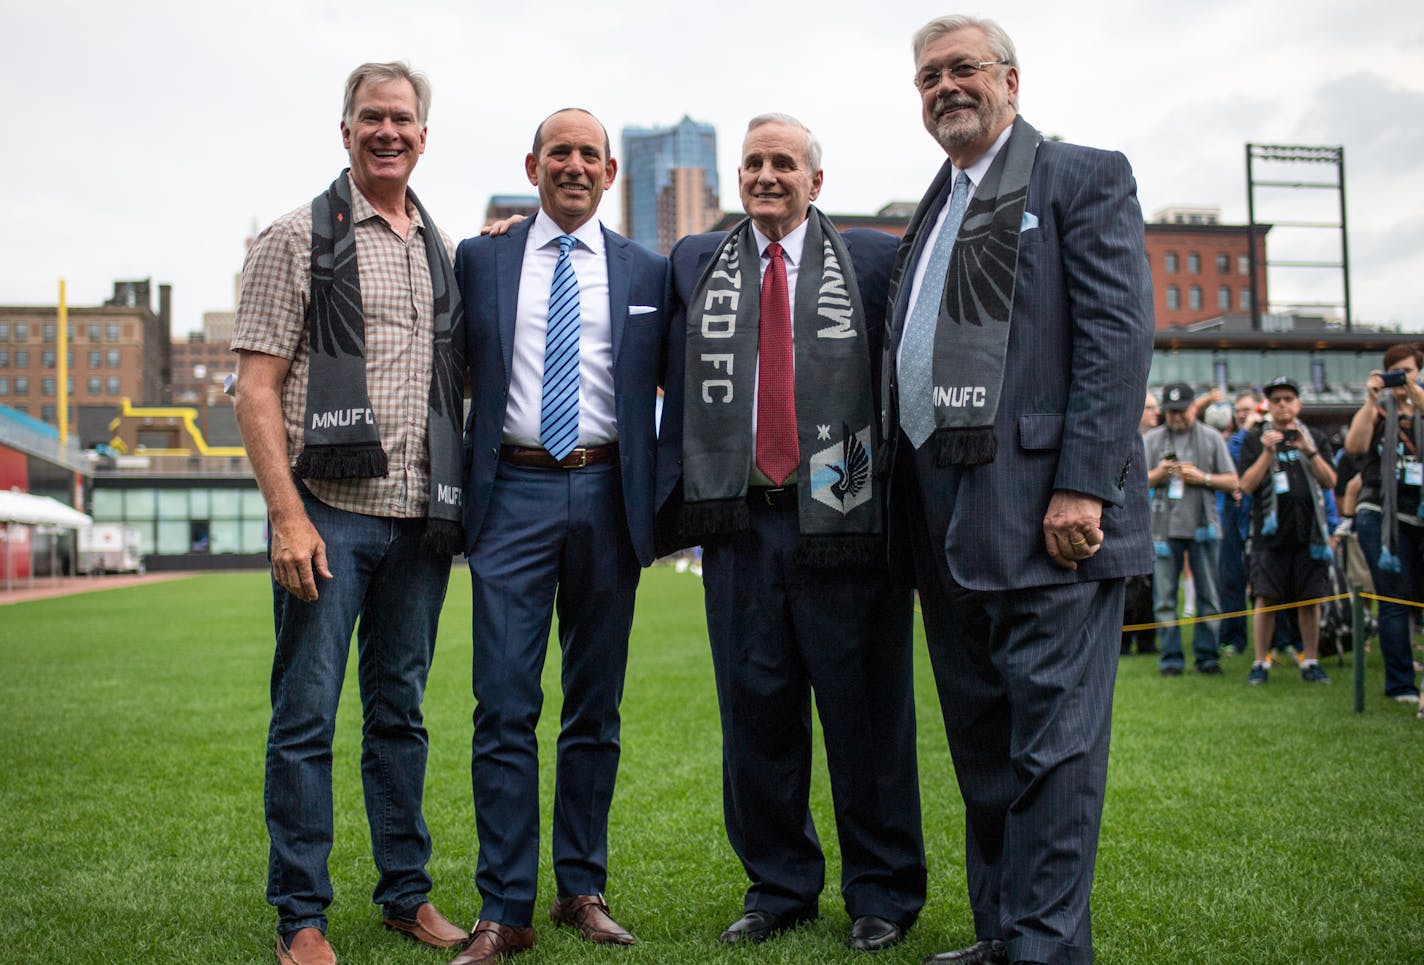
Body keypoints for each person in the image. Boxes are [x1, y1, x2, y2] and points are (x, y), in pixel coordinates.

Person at [882, 16, 1154, 965]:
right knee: (987, 748)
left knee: (1053, 750)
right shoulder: (932, 206)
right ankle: (1005, 932)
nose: (945, 87)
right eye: (928, 77)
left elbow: (1117, 339)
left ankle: (1046, 946)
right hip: (944, 518)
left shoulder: (1081, 174)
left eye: (963, 70)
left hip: (1049, 518)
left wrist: (1085, 485)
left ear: (1011, 78)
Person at [658, 114, 926, 952]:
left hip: (845, 519)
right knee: (756, 716)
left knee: (867, 716)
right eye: (752, 163)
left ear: (817, 180)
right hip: (740, 526)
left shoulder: (877, 259)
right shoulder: (698, 262)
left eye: (783, 163)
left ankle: (882, 891)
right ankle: (778, 885)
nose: (766, 175)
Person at [230, 62, 468, 965]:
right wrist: (288, 518)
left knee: (400, 717)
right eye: (371, 117)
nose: (388, 132)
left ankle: (405, 893)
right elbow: (254, 392)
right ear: (345, 131)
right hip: (326, 515)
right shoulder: (294, 239)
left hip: (420, 522)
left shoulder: (440, 250)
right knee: (305, 719)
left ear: (421, 135)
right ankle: (301, 915)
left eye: (402, 119)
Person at [449, 108, 671, 965]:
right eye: (560, 152)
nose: (574, 165)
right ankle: (504, 907)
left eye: (589, 154)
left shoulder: (649, 268)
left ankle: (581, 885)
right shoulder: (481, 257)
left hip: (612, 493)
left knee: (594, 707)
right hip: (513, 493)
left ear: (610, 172)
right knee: (504, 704)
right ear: (533, 164)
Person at [1236, 376, 1337, 685]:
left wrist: (1309, 450)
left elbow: (1330, 482)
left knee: (1310, 600)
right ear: (1268, 407)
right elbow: (1246, 486)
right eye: (1276, 400)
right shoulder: (1255, 440)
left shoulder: (1314, 437)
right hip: (1270, 536)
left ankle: (1311, 660)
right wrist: (1267, 453)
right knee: (1265, 598)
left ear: (1298, 404)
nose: (1282, 405)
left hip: (1310, 535)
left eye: (1288, 399)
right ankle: (1260, 662)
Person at [1344, 343, 1424, 709]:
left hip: (1417, 511)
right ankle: (1400, 683)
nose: (1401, 378)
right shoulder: (1377, 411)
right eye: (1394, 371)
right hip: (1378, 512)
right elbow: (1354, 447)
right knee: (1394, 599)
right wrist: (1370, 401)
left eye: (1407, 370)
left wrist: (1416, 397)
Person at [1143, 382, 1240, 675]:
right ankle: (1171, 657)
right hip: (1163, 531)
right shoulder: (1152, 439)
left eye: (1181, 411)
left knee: (1209, 595)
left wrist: (1204, 478)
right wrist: (1159, 474)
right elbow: (1136, 482)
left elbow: (1234, 482)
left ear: (1193, 408)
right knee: (1164, 598)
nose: (1176, 417)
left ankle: (1207, 655)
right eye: (1171, 412)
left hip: (1203, 527)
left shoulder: (1211, 438)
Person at [1218, 391, 1262, 655]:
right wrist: (1246, 430)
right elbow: (1230, 464)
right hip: (1232, 516)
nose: (1243, 414)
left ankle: (1278, 641)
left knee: (1265, 581)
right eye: (1239, 410)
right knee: (1231, 578)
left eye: (1249, 409)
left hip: (1260, 514)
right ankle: (1233, 637)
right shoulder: (1231, 441)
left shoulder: (1267, 437)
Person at [1121, 391, 1159, 655]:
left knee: (1148, 589)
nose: (1155, 413)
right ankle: (1123, 642)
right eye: (1149, 407)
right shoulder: (1126, 438)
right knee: (1126, 588)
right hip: (1127, 522)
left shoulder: (1160, 441)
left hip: (1157, 525)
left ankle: (1146, 641)